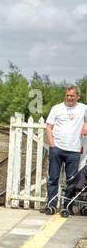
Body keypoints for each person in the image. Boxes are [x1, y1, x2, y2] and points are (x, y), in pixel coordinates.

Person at [44, 86, 87, 216]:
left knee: (72, 180)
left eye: (72, 96)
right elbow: (48, 126)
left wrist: (85, 125)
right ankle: (51, 205)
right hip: (57, 149)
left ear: (78, 96)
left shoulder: (83, 108)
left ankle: (66, 206)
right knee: (53, 178)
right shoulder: (57, 108)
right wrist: (52, 144)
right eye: (67, 95)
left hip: (73, 150)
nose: (69, 98)